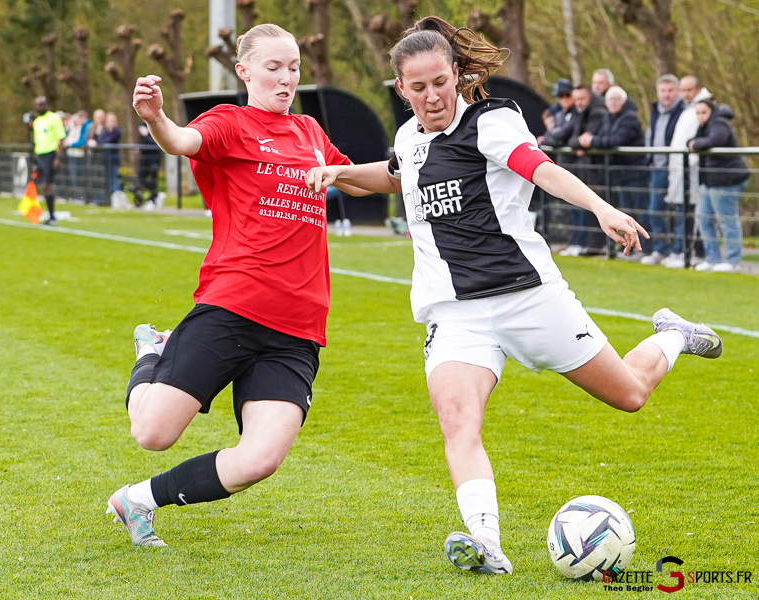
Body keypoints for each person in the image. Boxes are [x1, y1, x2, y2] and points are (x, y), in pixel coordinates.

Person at [305, 16, 724, 575]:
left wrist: (600, 208)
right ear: (401, 90)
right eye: (418, 87)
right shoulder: (410, 137)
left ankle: (673, 336)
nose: (431, 96)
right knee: (457, 418)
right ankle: (487, 544)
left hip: (527, 298)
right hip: (456, 316)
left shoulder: (492, 122)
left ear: (457, 74)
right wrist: (337, 173)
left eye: (440, 82)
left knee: (629, 394)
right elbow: (395, 174)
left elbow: (540, 168)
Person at [106, 23, 362, 548]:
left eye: (293, 67)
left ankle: (136, 501)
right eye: (274, 67)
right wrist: (155, 117)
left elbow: (363, 177)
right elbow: (181, 141)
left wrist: (432, 157)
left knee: (261, 459)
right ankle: (152, 352)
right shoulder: (230, 123)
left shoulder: (312, 133)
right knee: (151, 434)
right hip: (233, 304)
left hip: (298, 325)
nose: (286, 78)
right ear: (244, 71)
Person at [577, 85, 650, 256]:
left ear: (623, 101)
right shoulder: (608, 118)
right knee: (624, 211)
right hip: (619, 174)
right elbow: (604, 137)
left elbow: (616, 140)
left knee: (639, 211)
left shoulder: (629, 118)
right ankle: (628, 246)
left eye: (617, 99)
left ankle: (644, 249)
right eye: (610, 99)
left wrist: (592, 141)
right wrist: (591, 140)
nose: (613, 103)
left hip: (634, 172)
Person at [688, 99, 749, 273]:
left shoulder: (719, 122)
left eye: (703, 112)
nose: (700, 116)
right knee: (703, 218)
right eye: (697, 113)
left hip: (726, 180)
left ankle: (732, 260)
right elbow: (692, 140)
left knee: (727, 220)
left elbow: (716, 140)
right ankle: (712, 258)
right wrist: (693, 143)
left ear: (711, 111)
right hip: (710, 181)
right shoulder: (705, 125)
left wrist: (696, 144)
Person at [666, 75, 713, 268]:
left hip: (691, 170)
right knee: (683, 212)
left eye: (689, 89)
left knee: (693, 214)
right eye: (682, 90)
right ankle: (681, 251)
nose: (685, 93)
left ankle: (691, 253)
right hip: (680, 170)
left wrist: (689, 162)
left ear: (697, 88)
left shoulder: (702, 108)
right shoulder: (688, 108)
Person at [641, 75, 685, 266]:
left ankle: (680, 251)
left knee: (679, 210)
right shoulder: (655, 111)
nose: (666, 95)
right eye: (663, 91)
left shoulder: (684, 112)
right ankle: (661, 249)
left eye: (670, 90)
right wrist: (650, 159)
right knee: (655, 210)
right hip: (657, 168)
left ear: (677, 92)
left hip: (676, 166)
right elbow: (652, 135)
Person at [562, 85, 607, 256]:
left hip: (597, 170)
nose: (579, 103)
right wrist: (579, 143)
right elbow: (574, 140)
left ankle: (595, 245)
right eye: (577, 99)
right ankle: (583, 243)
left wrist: (582, 143)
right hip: (585, 169)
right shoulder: (579, 113)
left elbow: (587, 140)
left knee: (594, 208)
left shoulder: (597, 112)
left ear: (590, 98)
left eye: (582, 99)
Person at [30, 96, 66, 226]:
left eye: (42, 104)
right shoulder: (37, 121)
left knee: (47, 185)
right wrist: (35, 162)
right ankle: (49, 215)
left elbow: (61, 138)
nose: (40, 107)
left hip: (50, 154)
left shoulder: (54, 118)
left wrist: (58, 157)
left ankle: (52, 217)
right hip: (40, 155)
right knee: (43, 186)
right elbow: (36, 142)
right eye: (37, 105)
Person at [135, 122, 164, 208]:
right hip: (144, 160)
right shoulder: (142, 127)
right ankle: (155, 194)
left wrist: (147, 135)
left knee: (153, 179)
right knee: (141, 178)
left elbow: (156, 144)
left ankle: (153, 197)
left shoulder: (155, 128)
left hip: (154, 159)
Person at [65, 110, 91, 202]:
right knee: (74, 178)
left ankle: (82, 197)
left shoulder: (85, 126)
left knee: (80, 178)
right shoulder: (76, 128)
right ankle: (77, 196)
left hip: (80, 156)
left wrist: (70, 144)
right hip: (73, 156)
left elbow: (82, 141)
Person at [97, 112, 123, 193]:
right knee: (106, 178)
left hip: (114, 158)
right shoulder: (104, 130)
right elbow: (100, 141)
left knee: (114, 177)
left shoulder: (117, 131)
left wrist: (104, 142)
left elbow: (110, 140)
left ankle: (115, 194)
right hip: (105, 158)